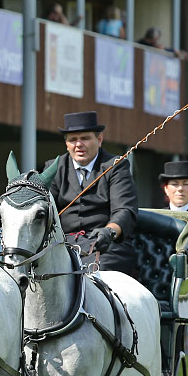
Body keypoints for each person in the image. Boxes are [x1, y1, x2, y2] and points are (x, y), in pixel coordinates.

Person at [46, 111, 138, 275]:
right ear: (66, 143)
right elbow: (45, 208)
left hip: (106, 247)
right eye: (73, 139)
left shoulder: (116, 166)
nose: (78, 144)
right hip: (63, 247)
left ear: (99, 139)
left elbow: (124, 210)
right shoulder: (54, 167)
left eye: (85, 138)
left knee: (100, 281)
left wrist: (109, 231)